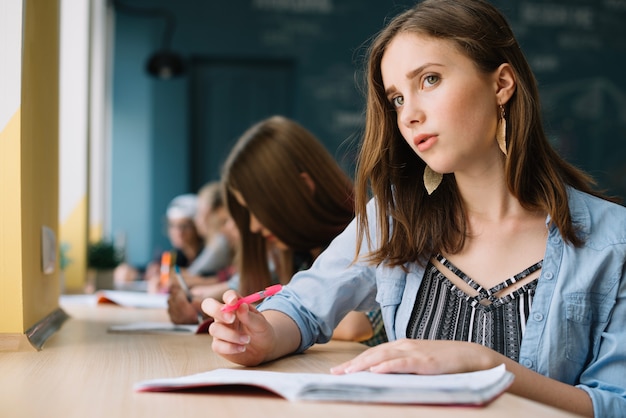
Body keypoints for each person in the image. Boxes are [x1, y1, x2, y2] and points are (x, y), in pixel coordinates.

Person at [201, 1, 626, 417]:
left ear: (501, 84)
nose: (410, 115)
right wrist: (260, 336)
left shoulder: (614, 241)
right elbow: (302, 307)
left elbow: (615, 403)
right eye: (397, 99)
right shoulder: (394, 217)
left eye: (429, 79)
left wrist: (484, 366)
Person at [176, 115, 386, 345]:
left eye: (258, 210)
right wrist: (200, 307)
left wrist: (260, 317)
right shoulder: (296, 254)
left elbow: (356, 326)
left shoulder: (370, 236)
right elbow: (244, 288)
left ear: (304, 188)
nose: (254, 227)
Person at [114, 193, 204, 292]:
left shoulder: (209, 255)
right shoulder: (176, 255)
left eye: (184, 226)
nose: (178, 232)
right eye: (173, 225)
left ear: (197, 227)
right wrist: (134, 272)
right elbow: (153, 270)